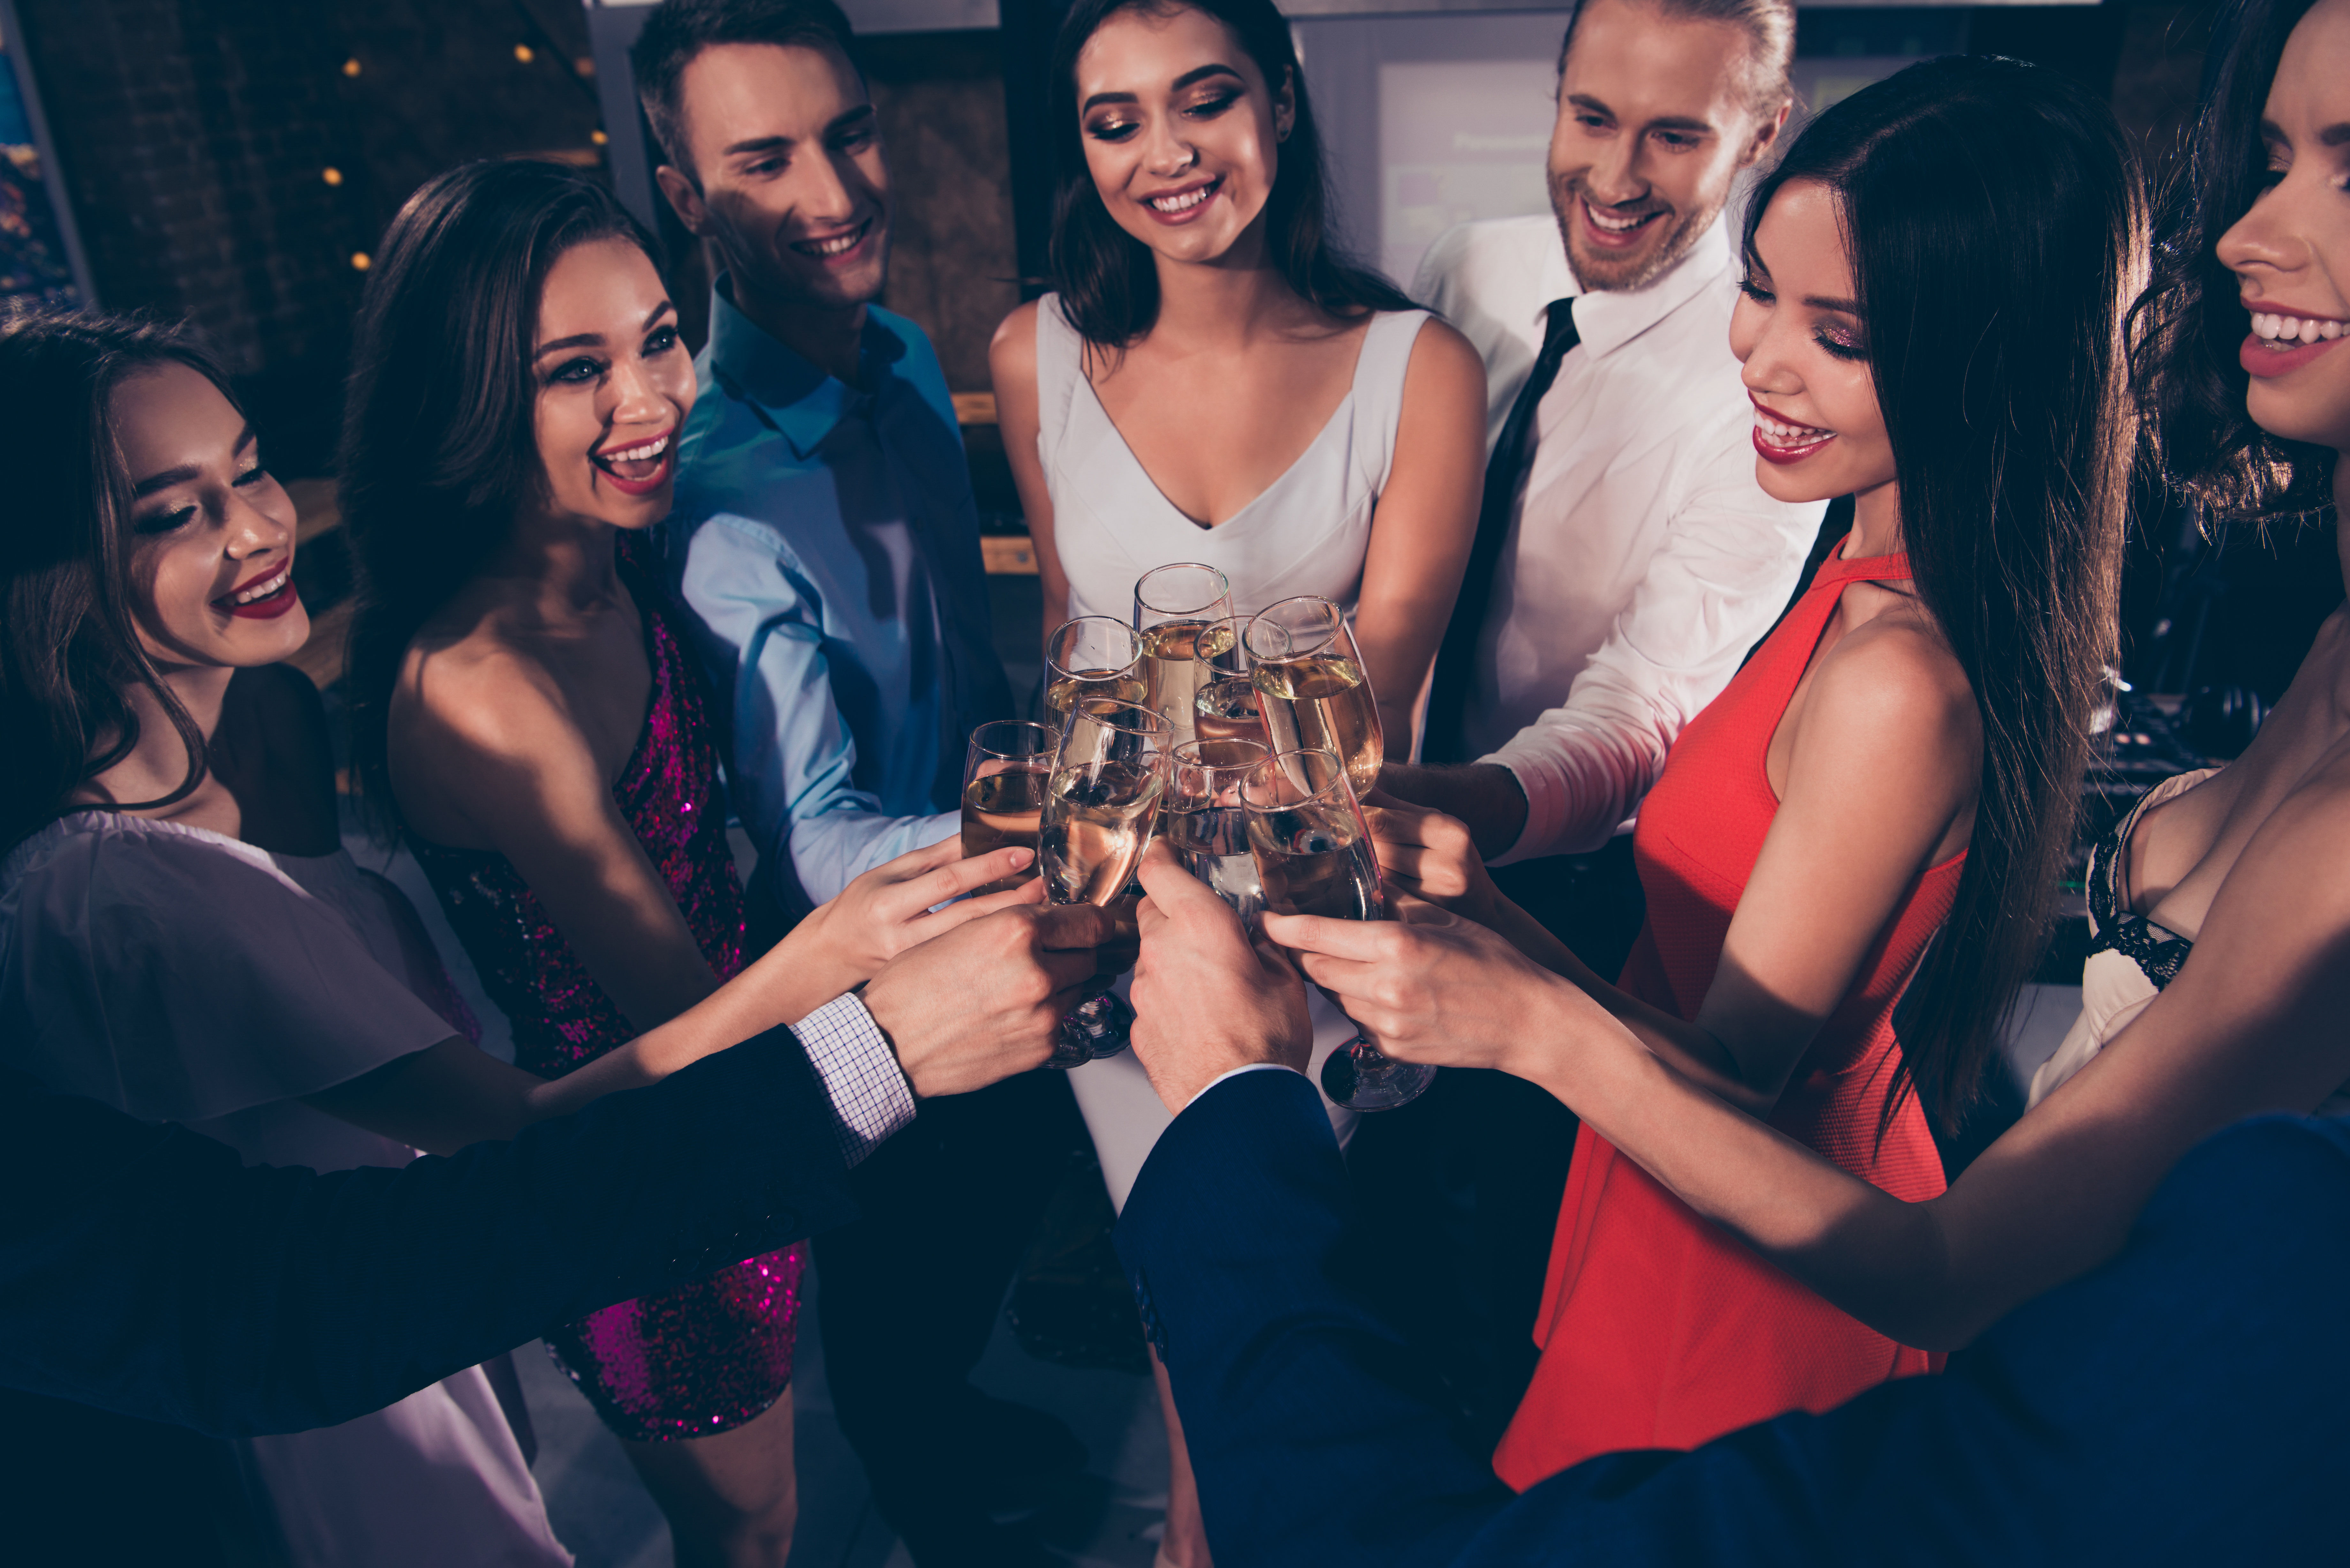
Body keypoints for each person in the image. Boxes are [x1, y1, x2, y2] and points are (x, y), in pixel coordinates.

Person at [0, 308, 1100, 1565]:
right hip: (327, 1362)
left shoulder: (274, 714)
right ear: (55, 574)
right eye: (171, 513)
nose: (256, 528)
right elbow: (508, 1134)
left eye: (249, 470)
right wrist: (844, 965)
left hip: (443, 1312)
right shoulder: (115, 894)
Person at [1281, 55, 2145, 1485]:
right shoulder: (1854, 572)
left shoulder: (1894, 677)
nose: (1761, 355)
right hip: (1663, 1192)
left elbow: (1738, 1078)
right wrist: (1474, 887)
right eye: (1760, 290)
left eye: (1843, 332)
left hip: (1758, 1262)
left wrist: (1500, 993)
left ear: (1987, 354)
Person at [332, 160, 1084, 1568]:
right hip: (642, 1169)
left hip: (739, 1101)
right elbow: (678, 1018)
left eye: (660, 339)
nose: (655, 399)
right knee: (749, 1530)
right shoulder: (486, 684)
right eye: (576, 369)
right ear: (471, 391)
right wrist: (854, 936)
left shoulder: (609, 562)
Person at [1112, 850, 2350, 1564]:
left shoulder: (2283, 1282)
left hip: (1802, 1226)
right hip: (1684, 1191)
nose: (1754, 376)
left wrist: (1234, 1097)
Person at [986, 0, 1483, 1554]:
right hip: (1118, 924)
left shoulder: (1418, 366)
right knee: (1175, 1312)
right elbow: (1070, 650)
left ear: (1279, 97)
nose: (1163, 153)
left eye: (1202, 100)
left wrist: (1173, 741)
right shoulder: (1034, 352)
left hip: (1303, 937)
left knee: (1270, 1316)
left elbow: (1373, 701)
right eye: (1112, 118)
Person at [629, 4, 1091, 1558]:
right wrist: (1065, 828)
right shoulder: (715, 495)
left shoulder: (896, 353)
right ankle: (931, 1496)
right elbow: (809, 834)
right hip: (875, 961)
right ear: (685, 196)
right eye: (765, 159)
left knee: (999, 1206)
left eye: (848, 132)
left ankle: (952, 1416)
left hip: (1001, 891)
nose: (835, 190)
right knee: (897, 1290)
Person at [1348, 0, 1827, 1445]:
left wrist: (1444, 805)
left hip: (1570, 890)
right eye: (1592, 118)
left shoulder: (1757, 382)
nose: (1614, 178)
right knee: (1366, 1236)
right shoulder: (1469, 269)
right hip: (1386, 833)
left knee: (1500, 1289)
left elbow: (1643, 709)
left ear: (1761, 134)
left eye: (1676, 135)